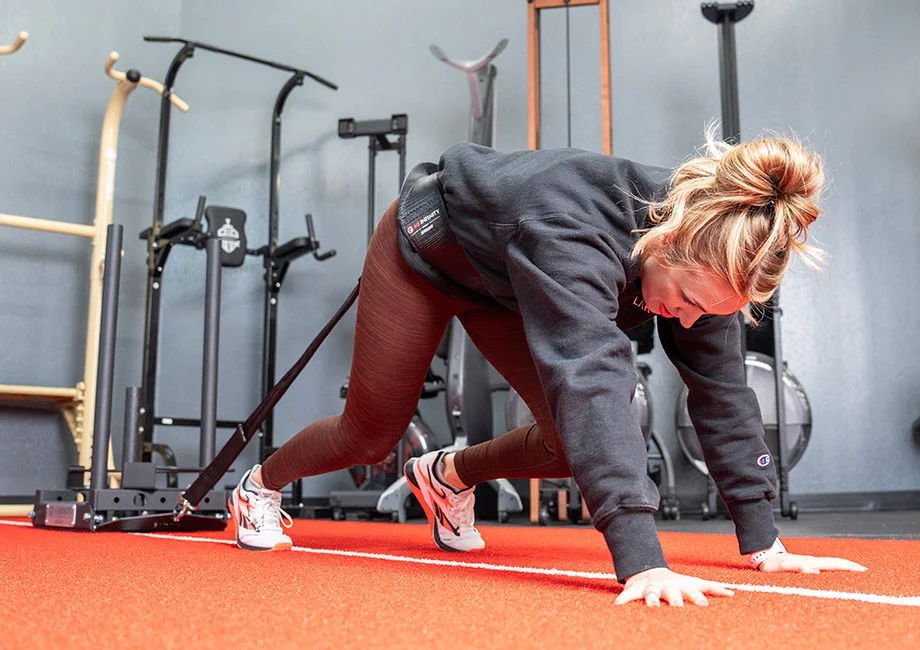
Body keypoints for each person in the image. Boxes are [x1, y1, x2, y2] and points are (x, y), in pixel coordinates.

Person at [227, 130, 868, 607]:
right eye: (691, 303)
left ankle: (446, 477)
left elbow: (723, 394)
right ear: (665, 240)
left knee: (567, 446)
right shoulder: (569, 228)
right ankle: (259, 485)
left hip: (505, 281)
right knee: (372, 433)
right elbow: (590, 376)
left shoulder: (714, 263)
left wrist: (763, 542)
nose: (691, 321)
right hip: (426, 257)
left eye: (713, 312)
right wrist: (642, 560)